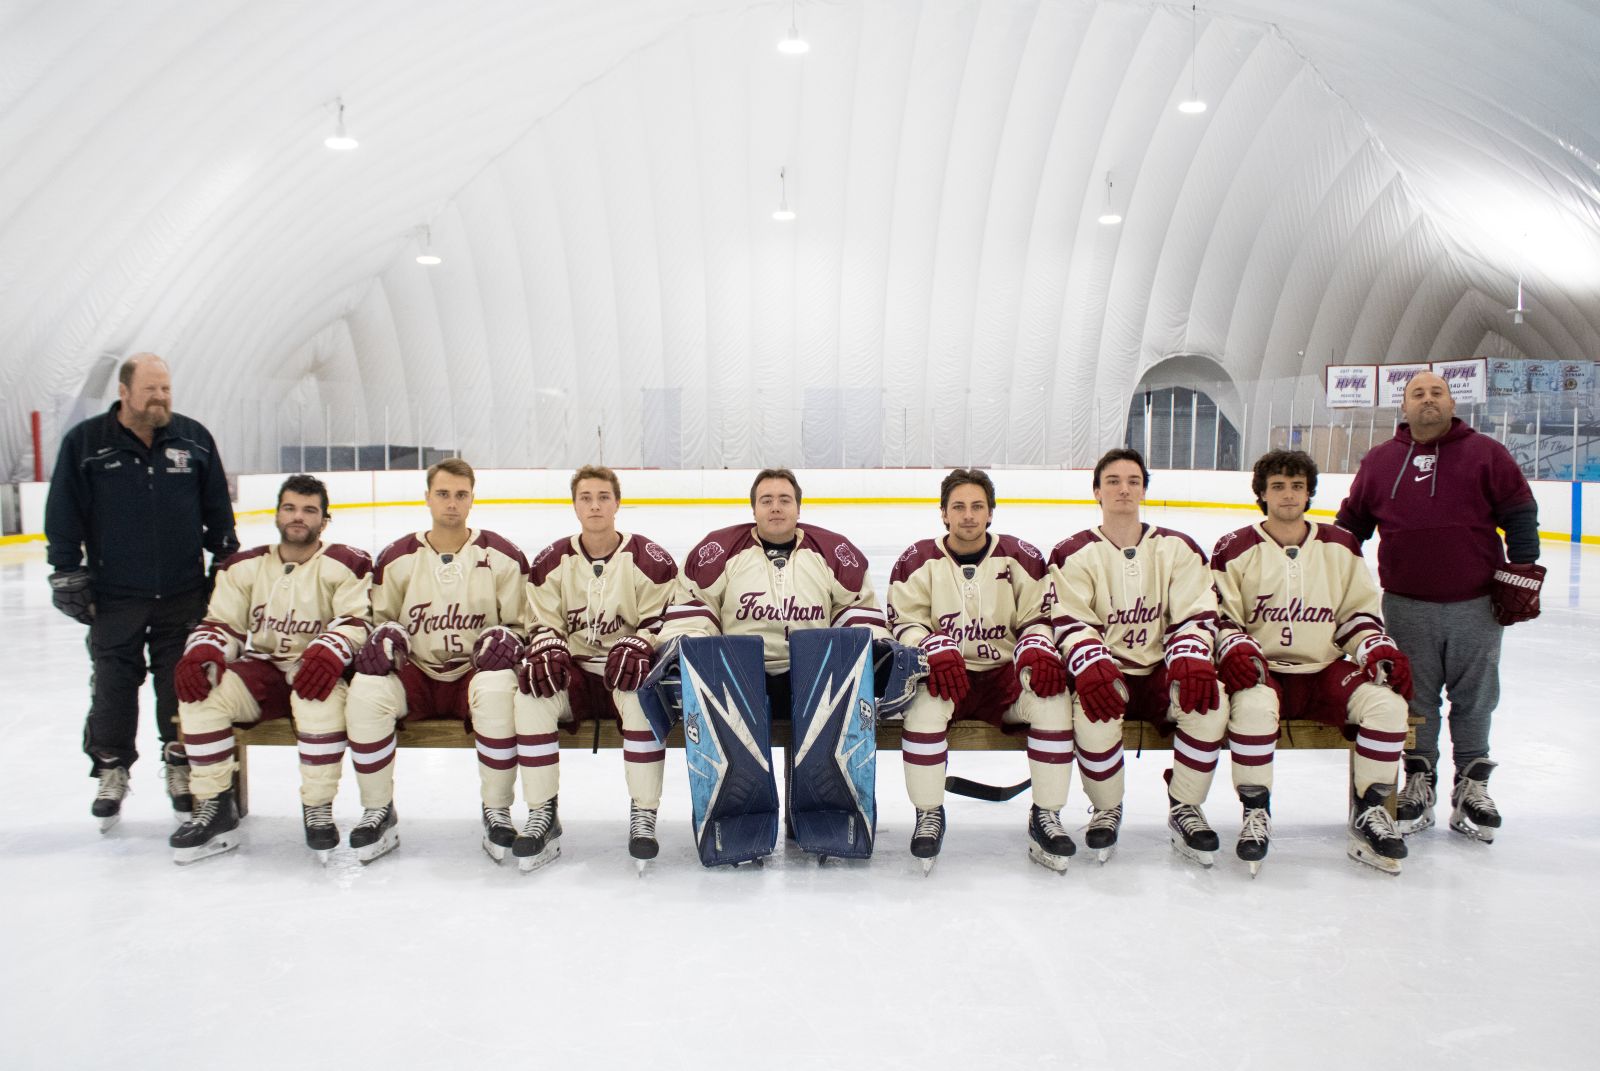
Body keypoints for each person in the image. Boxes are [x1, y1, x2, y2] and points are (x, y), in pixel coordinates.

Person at [1336, 371, 1542, 843]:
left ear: (1452, 403)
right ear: (1403, 408)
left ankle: (1472, 783)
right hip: (1407, 604)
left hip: (1477, 603)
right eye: (1417, 394)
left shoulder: (1487, 453)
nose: (1427, 400)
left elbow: (1519, 511)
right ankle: (1418, 780)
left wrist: (1525, 566)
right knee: (1415, 699)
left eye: (1437, 393)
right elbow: (1352, 526)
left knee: (1476, 698)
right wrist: (1334, 576)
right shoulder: (1381, 461)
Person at [43, 352, 239, 831]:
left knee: (182, 684)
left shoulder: (193, 440)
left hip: (182, 589)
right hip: (115, 593)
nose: (161, 398)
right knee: (112, 683)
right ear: (124, 392)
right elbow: (63, 510)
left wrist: (225, 558)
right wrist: (66, 569)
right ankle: (111, 769)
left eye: (166, 389)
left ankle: (179, 764)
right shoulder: (87, 443)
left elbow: (217, 506)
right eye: (151, 389)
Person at [1210, 451, 1412, 874]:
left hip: (1324, 669)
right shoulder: (1235, 547)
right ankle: (1255, 812)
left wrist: (1374, 648)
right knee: (1252, 708)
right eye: (1278, 486)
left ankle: (1370, 811)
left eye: (1297, 486)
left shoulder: (1340, 545)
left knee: (1387, 706)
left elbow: (1357, 613)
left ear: (1309, 493)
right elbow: (1222, 618)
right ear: (1261, 494)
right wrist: (1237, 649)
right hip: (1263, 671)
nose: (1288, 494)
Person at [660, 468, 888, 823]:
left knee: (829, 703)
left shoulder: (832, 551)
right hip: (742, 676)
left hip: (813, 673)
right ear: (753, 509)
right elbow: (694, 609)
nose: (776, 508)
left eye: (785, 500)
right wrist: (690, 651)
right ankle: (741, 819)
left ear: (799, 508)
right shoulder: (718, 551)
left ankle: (819, 813)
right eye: (766, 500)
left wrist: (873, 647)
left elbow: (856, 608)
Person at [167, 475, 372, 863]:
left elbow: (357, 621)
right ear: (277, 514)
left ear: (324, 520)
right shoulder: (243, 566)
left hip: (315, 671)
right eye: (290, 508)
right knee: (201, 693)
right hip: (259, 671)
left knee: (320, 700)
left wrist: (328, 652)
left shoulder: (346, 564)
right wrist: (202, 653)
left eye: (309, 510)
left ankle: (318, 807)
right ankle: (214, 805)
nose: (298, 517)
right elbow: (221, 624)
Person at [343, 459, 531, 865]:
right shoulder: (397, 557)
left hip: (474, 673)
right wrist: (383, 637)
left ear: (472, 499)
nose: (451, 503)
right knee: (367, 690)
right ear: (427, 497)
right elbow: (376, 623)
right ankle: (378, 810)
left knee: (499, 691)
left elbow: (523, 624)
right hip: (417, 674)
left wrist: (509, 638)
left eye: (460, 495)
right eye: (443, 494)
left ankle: (496, 810)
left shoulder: (501, 555)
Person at [885, 469, 1072, 871]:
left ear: (990, 513)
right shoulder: (917, 560)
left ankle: (1046, 814)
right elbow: (903, 622)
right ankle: (929, 812)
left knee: (1053, 701)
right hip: (945, 676)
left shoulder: (1022, 556)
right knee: (922, 712)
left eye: (977, 507)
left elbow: (1038, 617)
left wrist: (1037, 646)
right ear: (943, 514)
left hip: (1003, 676)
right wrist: (931, 644)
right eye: (958, 507)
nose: (968, 515)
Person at [1046, 448, 1225, 865]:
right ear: (1096, 491)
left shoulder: (1178, 548)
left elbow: (1197, 609)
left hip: (1164, 670)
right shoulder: (1073, 552)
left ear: (1144, 489)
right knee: (1093, 713)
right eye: (1112, 481)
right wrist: (1091, 663)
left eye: (1132, 481)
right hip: (1107, 673)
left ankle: (1185, 807)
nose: (1123, 489)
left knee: (1209, 702)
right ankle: (1107, 807)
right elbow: (1069, 618)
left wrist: (1190, 655)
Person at [518, 466, 680, 870]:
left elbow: (665, 619)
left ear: (617, 503)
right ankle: (542, 813)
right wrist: (548, 644)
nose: (594, 505)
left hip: (623, 672)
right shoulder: (551, 560)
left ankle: (644, 815)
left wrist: (641, 642)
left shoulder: (649, 559)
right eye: (586, 497)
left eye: (603, 497)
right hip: (572, 673)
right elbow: (540, 622)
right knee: (531, 696)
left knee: (642, 700)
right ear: (574, 505)